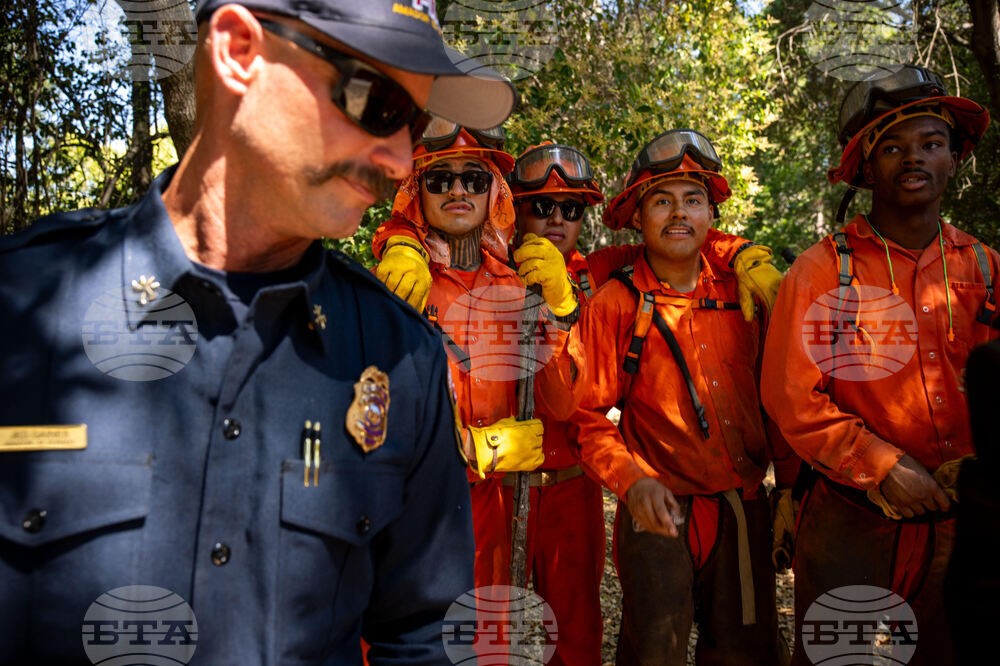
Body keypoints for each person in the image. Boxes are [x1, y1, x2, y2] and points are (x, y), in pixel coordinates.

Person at [0, 1, 517, 663]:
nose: (400, 161)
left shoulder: (399, 359)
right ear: (239, 50)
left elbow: (425, 637)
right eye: (376, 102)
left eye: (414, 124)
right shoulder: (23, 308)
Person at [760, 65, 996, 666]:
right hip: (850, 516)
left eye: (930, 143)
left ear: (955, 158)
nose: (912, 158)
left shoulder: (987, 269)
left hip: (965, 523)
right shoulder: (821, 271)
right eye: (891, 147)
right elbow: (792, 397)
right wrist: (881, 465)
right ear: (865, 168)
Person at [561, 129, 796, 666]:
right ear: (638, 217)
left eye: (694, 200)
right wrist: (631, 480)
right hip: (656, 512)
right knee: (653, 652)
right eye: (661, 201)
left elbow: (779, 403)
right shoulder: (619, 300)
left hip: (742, 510)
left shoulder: (744, 294)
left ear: (712, 215)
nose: (678, 214)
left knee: (748, 652)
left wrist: (791, 491)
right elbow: (586, 413)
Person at [371, 121, 578, 659]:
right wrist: (469, 448)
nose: (458, 190)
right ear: (417, 193)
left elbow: (560, 402)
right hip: (409, 522)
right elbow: (366, 422)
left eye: (473, 178)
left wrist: (560, 308)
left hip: (493, 520)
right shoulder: (397, 283)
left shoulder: (519, 289)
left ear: (496, 194)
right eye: (440, 179)